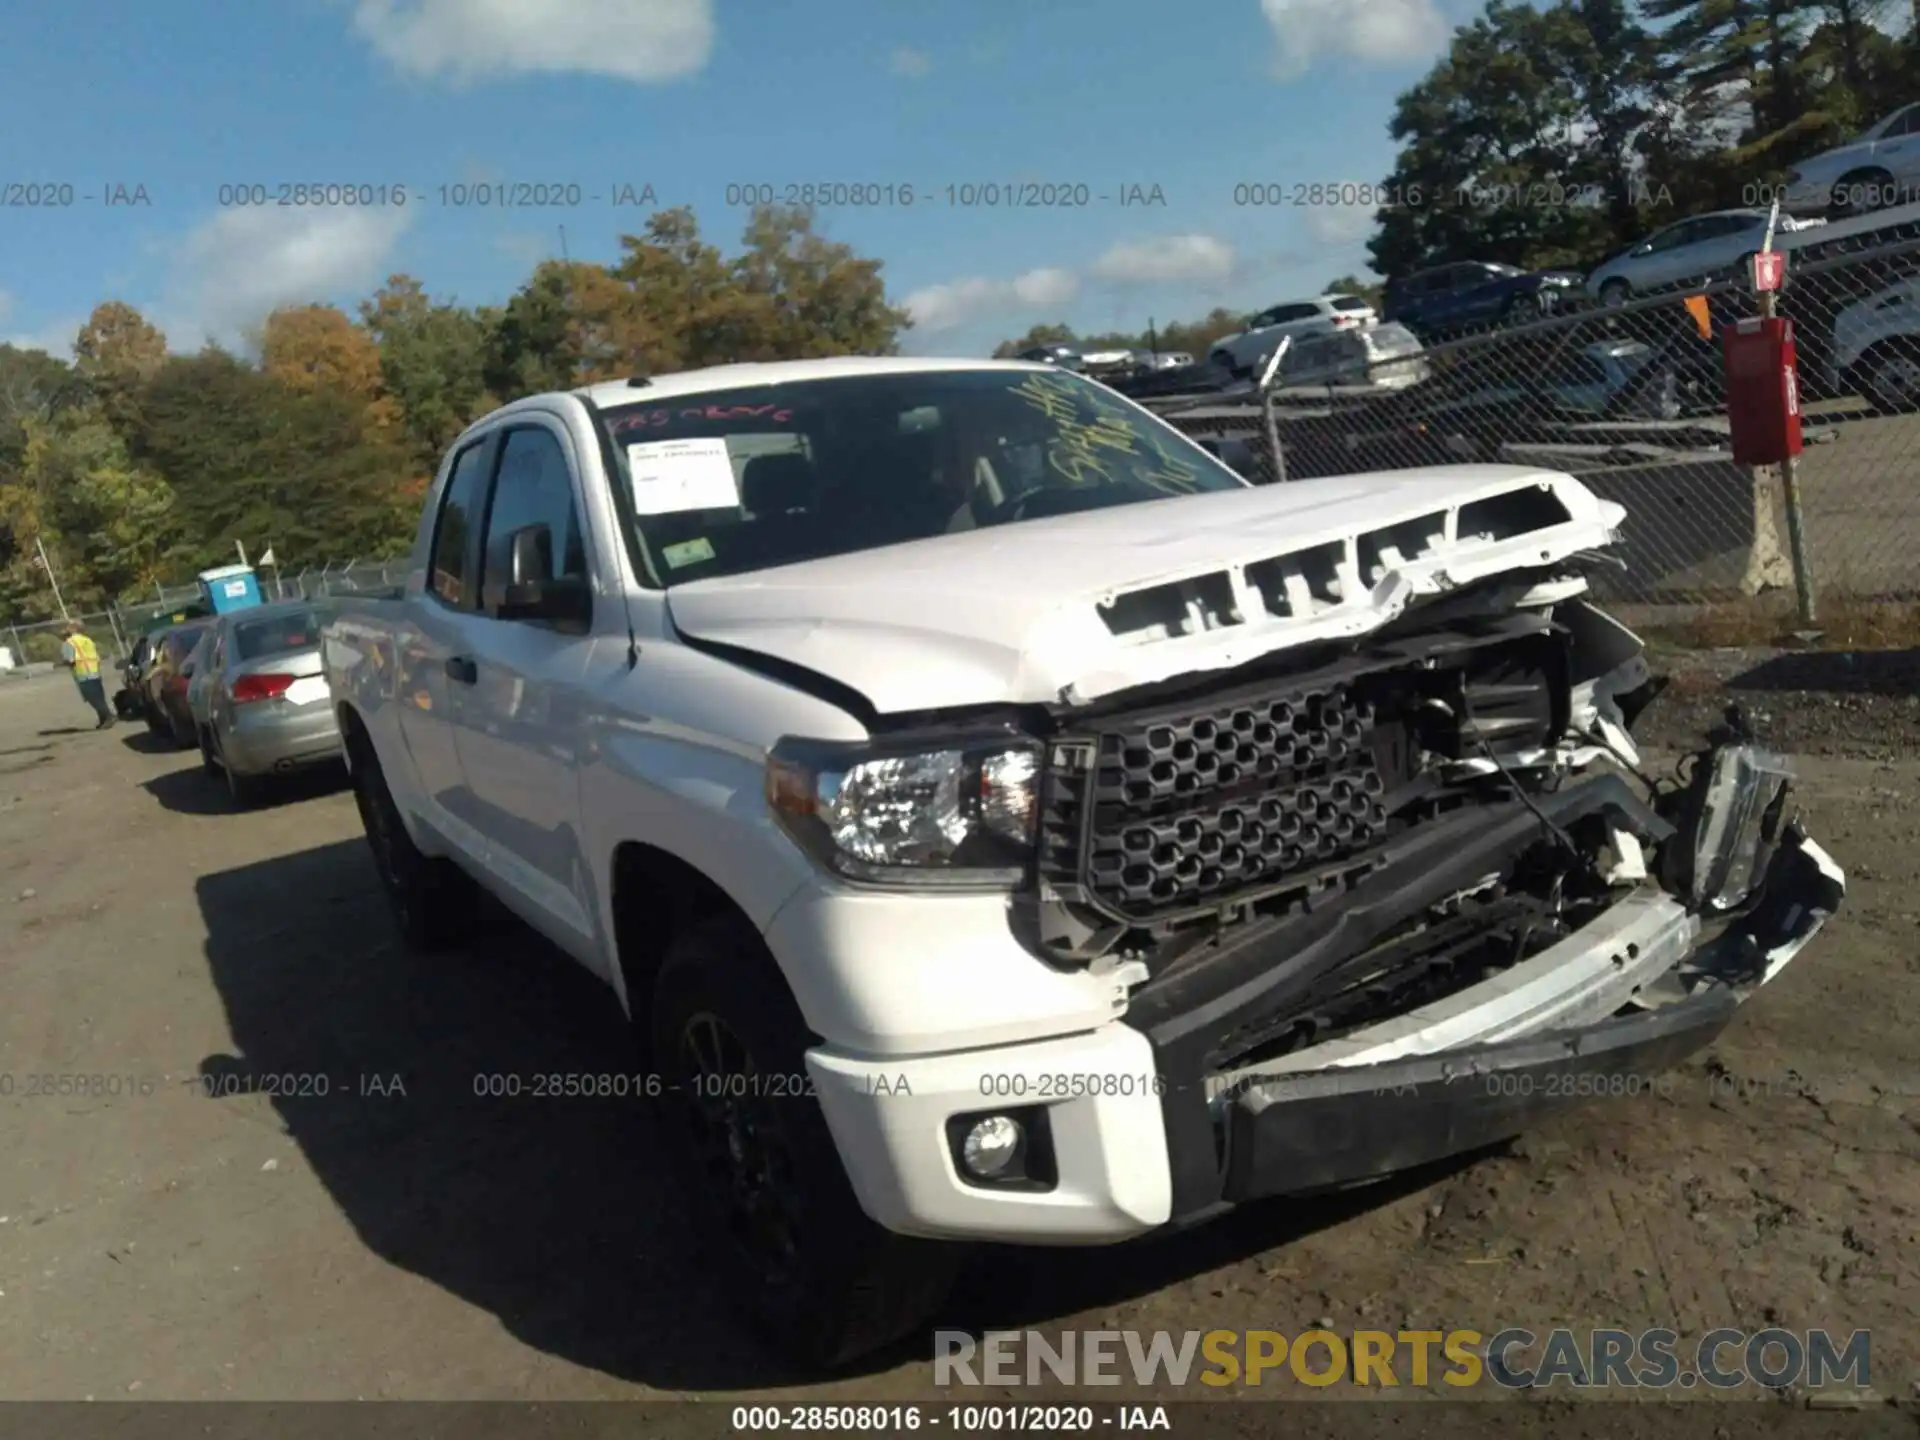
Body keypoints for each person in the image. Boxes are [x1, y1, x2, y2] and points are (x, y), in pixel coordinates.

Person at [58, 621, 115, 729]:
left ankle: (108, 716)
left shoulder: (69, 642)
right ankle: (103, 719)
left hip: (82, 672)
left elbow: (69, 659)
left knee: (92, 698)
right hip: (94, 671)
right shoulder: (86, 639)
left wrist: (59, 664)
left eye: (66, 627)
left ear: (73, 629)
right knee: (99, 696)